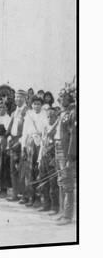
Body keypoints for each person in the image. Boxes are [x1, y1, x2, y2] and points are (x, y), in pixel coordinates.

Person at [20, 96, 49, 206]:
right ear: (31, 105)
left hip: (40, 143)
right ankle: (29, 196)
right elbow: (24, 132)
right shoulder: (29, 115)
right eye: (34, 104)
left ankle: (38, 198)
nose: (36, 106)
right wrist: (23, 146)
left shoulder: (44, 114)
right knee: (28, 171)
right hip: (30, 142)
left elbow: (45, 131)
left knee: (39, 170)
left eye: (38, 104)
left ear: (41, 105)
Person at [54, 89, 76, 225]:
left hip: (65, 151)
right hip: (58, 148)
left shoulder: (73, 113)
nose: (61, 99)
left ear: (70, 98)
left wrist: (70, 156)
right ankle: (63, 212)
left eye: (63, 97)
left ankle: (67, 216)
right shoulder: (62, 113)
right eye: (60, 96)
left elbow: (73, 136)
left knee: (67, 183)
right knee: (61, 181)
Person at [6, 90, 29, 201]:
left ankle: (24, 195)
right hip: (13, 141)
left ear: (25, 98)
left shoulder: (27, 111)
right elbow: (11, 126)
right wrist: (9, 136)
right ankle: (15, 194)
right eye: (16, 97)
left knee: (22, 170)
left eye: (20, 97)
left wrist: (20, 141)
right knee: (13, 170)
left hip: (21, 141)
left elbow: (27, 129)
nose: (17, 99)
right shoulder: (15, 111)